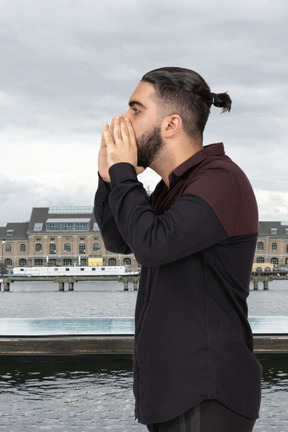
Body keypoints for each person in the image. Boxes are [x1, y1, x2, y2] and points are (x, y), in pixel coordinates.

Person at [94, 67, 262, 432]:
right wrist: (109, 178)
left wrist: (125, 172)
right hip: (171, 394)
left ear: (171, 125)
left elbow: (152, 245)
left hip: (206, 393)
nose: (123, 119)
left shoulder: (220, 180)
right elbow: (121, 238)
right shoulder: (172, 189)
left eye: (136, 109)